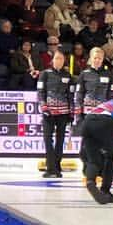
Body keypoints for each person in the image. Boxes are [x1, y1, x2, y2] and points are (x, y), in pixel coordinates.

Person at [37, 50, 74, 179]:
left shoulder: (68, 76)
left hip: (63, 113)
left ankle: (57, 167)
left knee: (60, 140)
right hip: (48, 112)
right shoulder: (44, 74)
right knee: (47, 139)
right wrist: (44, 106)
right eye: (57, 58)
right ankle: (50, 167)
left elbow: (71, 95)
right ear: (52, 60)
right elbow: (40, 92)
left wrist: (72, 112)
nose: (59, 61)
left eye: (61, 59)